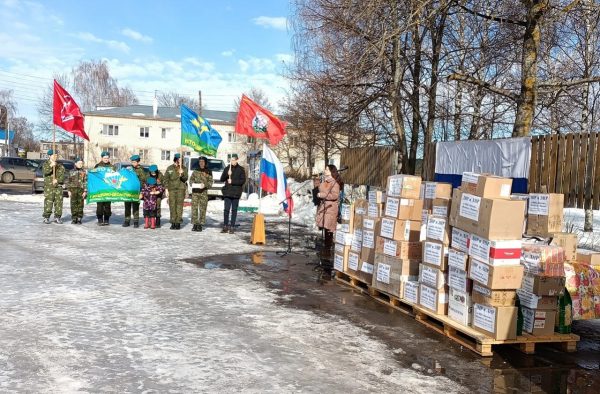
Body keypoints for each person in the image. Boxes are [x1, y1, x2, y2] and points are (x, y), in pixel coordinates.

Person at [314, 164, 343, 261]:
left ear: (331, 171)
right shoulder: (325, 182)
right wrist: (317, 183)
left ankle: (328, 251)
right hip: (324, 208)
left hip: (330, 209)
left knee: (329, 230)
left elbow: (334, 195)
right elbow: (318, 190)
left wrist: (322, 195)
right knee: (325, 229)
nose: (325, 170)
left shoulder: (335, 183)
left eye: (327, 169)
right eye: (325, 169)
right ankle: (325, 251)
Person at [220, 153, 246, 234]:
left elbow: (243, 181)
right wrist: (227, 174)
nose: (232, 161)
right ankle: (225, 225)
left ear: (237, 160)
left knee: (234, 210)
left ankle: (232, 226)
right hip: (228, 192)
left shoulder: (241, 169)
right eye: (231, 160)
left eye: (234, 160)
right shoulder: (227, 168)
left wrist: (233, 181)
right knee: (226, 210)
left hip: (236, 193)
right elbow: (222, 179)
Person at [164, 153, 188, 230]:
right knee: (172, 206)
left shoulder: (184, 168)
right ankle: (173, 222)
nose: (180, 161)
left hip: (181, 189)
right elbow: (165, 179)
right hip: (171, 189)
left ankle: (178, 223)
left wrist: (182, 174)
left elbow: (185, 179)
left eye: (182, 160)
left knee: (179, 206)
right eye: (179, 159)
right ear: (176, 159)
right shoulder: (170, 168)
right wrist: (166, 189)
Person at [189, 157, 213, 232]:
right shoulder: (195, 171)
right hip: (195, 192)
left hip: (203, 193)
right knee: (194, 208)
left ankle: (200, 224)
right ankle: (195, 224)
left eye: (203, 161)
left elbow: (210, 183)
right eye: (200, 161)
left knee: (203, 209)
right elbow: (191, 180)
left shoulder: (208, 171)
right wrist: (192, 183)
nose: (201, 163)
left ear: (205, 162)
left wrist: (205, 185)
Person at [42, 149, 65, 224]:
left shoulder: (60, 166)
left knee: (59, 203)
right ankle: (46, 217)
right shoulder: (46, 164)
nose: (55, 156)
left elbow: (63, 177)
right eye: (53, 155)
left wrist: (57, 180)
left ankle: (57, 217)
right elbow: (45, 172)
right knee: (48, 202)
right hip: (49, 187)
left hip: (58, 187)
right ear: (49, 156)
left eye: (56, 155)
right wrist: (51, 166)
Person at [123, 154, 147, 228]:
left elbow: (143, 181)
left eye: (134, 162)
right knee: (127, 206)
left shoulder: (141, 170)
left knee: (135, 207)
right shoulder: (129, 169)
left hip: (137, 191)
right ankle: (127, 220)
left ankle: (136, 221)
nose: (133, 163)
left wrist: (141, 192)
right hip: (128, 191)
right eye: (132, 162)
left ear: (138, 162)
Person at [94, 151, 116, 226]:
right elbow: (94, 176)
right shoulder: (97, 166)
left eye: (107, 158)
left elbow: (115, 177)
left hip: (108, 189)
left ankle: (106, 219)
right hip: (100, 189)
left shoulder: (112, 167)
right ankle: (100, 219)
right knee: (99, 204)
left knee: (107, 205)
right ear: (102, 158)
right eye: (104, 158)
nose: (106, 159)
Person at [66, 157, 87, 224]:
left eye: (81, 163)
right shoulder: (71, 171)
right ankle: (74, 218)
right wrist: (69, 190)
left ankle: (79, 218)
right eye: (79, 163)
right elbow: (68, 181)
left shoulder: (84, 172)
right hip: (73, 190)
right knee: (73, 204)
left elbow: (86, 181)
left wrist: (85, 191)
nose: (80, 164)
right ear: (75, 164)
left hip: (81, 189)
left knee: (80, 204)